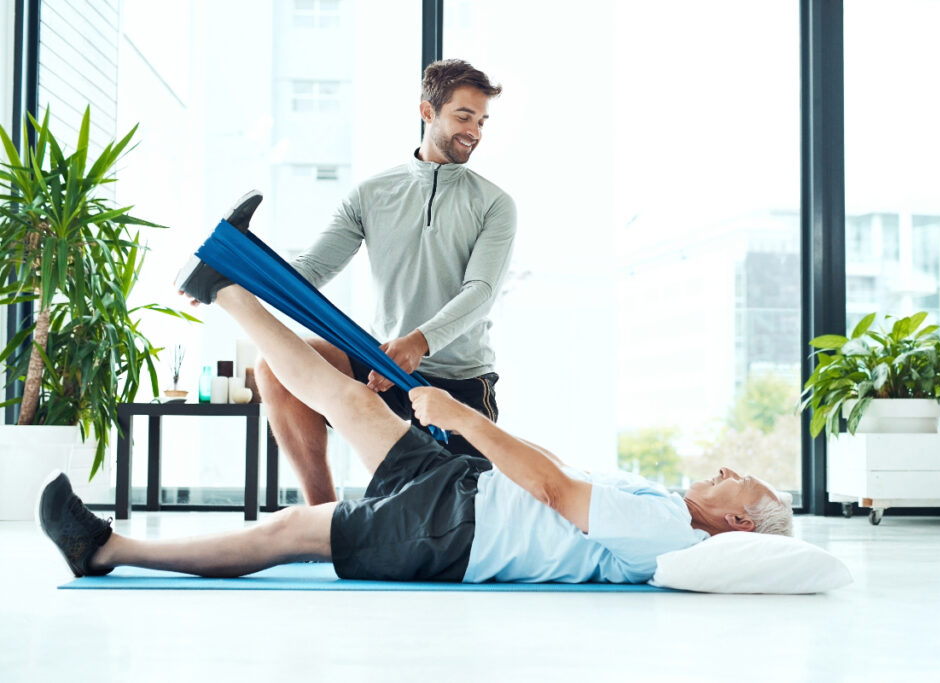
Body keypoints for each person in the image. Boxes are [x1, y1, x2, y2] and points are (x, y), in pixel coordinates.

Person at [40, 249, 793, 583]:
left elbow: (558, 495)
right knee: (346, 397)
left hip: (457, 532)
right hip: (465, 487)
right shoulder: (664, 503)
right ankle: (222, 287)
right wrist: (469, 436)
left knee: (288, 530)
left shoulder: (670, 533)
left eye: (741, 482)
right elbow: (556, 469)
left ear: (735, 525)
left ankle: (108, 549)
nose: (726, 471)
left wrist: (464, 417)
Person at [257, 58, 515, 506]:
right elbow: (313, 270)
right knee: (274, 366)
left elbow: (480, 292)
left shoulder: (494, 204)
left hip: (459, 382)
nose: (474, 130)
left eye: (481, 120)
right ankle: (323, 512)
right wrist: (233, 276)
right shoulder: (371, 194)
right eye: (463, 116)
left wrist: (420, 341)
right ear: (427, 112)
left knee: (460, 513)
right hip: (384, 371)